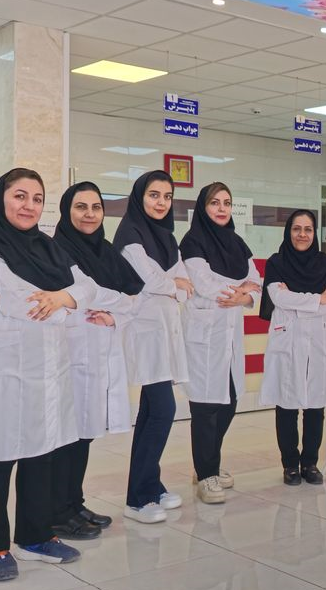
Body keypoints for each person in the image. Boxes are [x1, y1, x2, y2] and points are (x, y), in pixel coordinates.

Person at [0, 168, 101, 580]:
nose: (29, 206)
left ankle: (35, 536)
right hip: (4, 367)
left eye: (37, 198)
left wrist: (62, 298)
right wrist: (67, 303)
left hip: (49, 366)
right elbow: (17, 299)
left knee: (41, 453)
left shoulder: (49, 247)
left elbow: (89, 287)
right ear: (0, 200)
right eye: (20, 196)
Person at [51, 182, 145, 538]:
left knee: (86, 432)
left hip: (99, 348)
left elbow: (136, 297)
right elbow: (88, 291)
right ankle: (58, 511)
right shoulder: (58, 249)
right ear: (67, 210)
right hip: (71, 352)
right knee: (69, 435)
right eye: (81, 207)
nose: (89, 214)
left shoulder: (105, 251)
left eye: (96, 207)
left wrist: (116, 313)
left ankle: (74, 503)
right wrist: (119, 303)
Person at [112, 170, 193, 523]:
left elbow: (185, 281)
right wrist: (173, 285)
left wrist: (173, 285)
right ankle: (137, 500)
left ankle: (149, 485)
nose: (161, 203)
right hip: (145, 333)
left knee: (150, 413)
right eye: (154, 195)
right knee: (163, 410)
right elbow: (151, 280)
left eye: (167, 196)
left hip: (164, 331)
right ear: (139, 196)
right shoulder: (130, 234)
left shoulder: (166, 237)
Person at [180, 182, 262, 504]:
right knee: (205, 407)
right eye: (215, 202)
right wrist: (241, 293)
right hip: (204, 336)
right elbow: (204, 284)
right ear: (203, 207)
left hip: (229, 336)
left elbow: (256, 280)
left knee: (229, 402)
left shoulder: (237, 243)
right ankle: (206, 474)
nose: (222, 208)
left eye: (226, 203)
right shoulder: (192, 242)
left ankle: (207, 465)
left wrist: (245, 294)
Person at [258, 209, 326, 486]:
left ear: (314, 233)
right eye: (297, 229)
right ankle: (290, 465)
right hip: (288, 341)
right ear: (288, 231)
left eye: (308, 229)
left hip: (318, 342)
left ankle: (310, 464)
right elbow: (278, 298)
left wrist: (297, 300)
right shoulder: (276, 262)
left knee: (315, 406)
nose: (302, 235)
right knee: (286, 405)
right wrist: (318, 299)